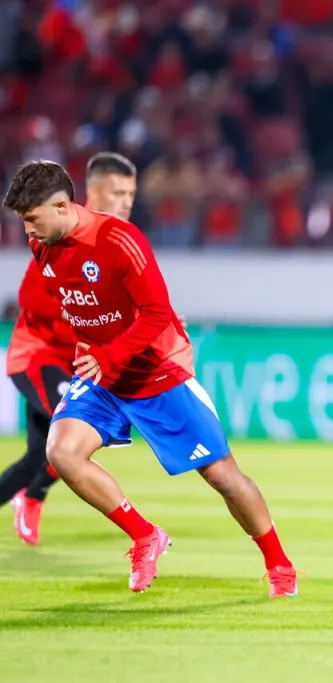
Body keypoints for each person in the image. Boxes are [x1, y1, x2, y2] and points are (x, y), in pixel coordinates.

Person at [2, 160, 297, 598]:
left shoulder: (119, 240)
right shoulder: (44, 246)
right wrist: (90, 348)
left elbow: (157, 314)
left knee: (222, 477)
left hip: (155, 374)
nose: (27, 232)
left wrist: (109, 352)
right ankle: (144, 536)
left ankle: (279, 565)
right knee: (61, 452)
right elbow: (82, 305)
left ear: (62, 205)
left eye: (31, 220)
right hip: (102, 378)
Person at [4, 152, 141, 545]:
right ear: (93, 194)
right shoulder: (58, 235)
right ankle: (32, 497)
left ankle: (29, 497)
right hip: (38, 357)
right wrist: (87, 307)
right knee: (70, 438)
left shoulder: (120, 241)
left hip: (76, 363)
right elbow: (34, 298)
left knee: (39, 456)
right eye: (118, 192)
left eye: (131, 193)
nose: (127, 201)